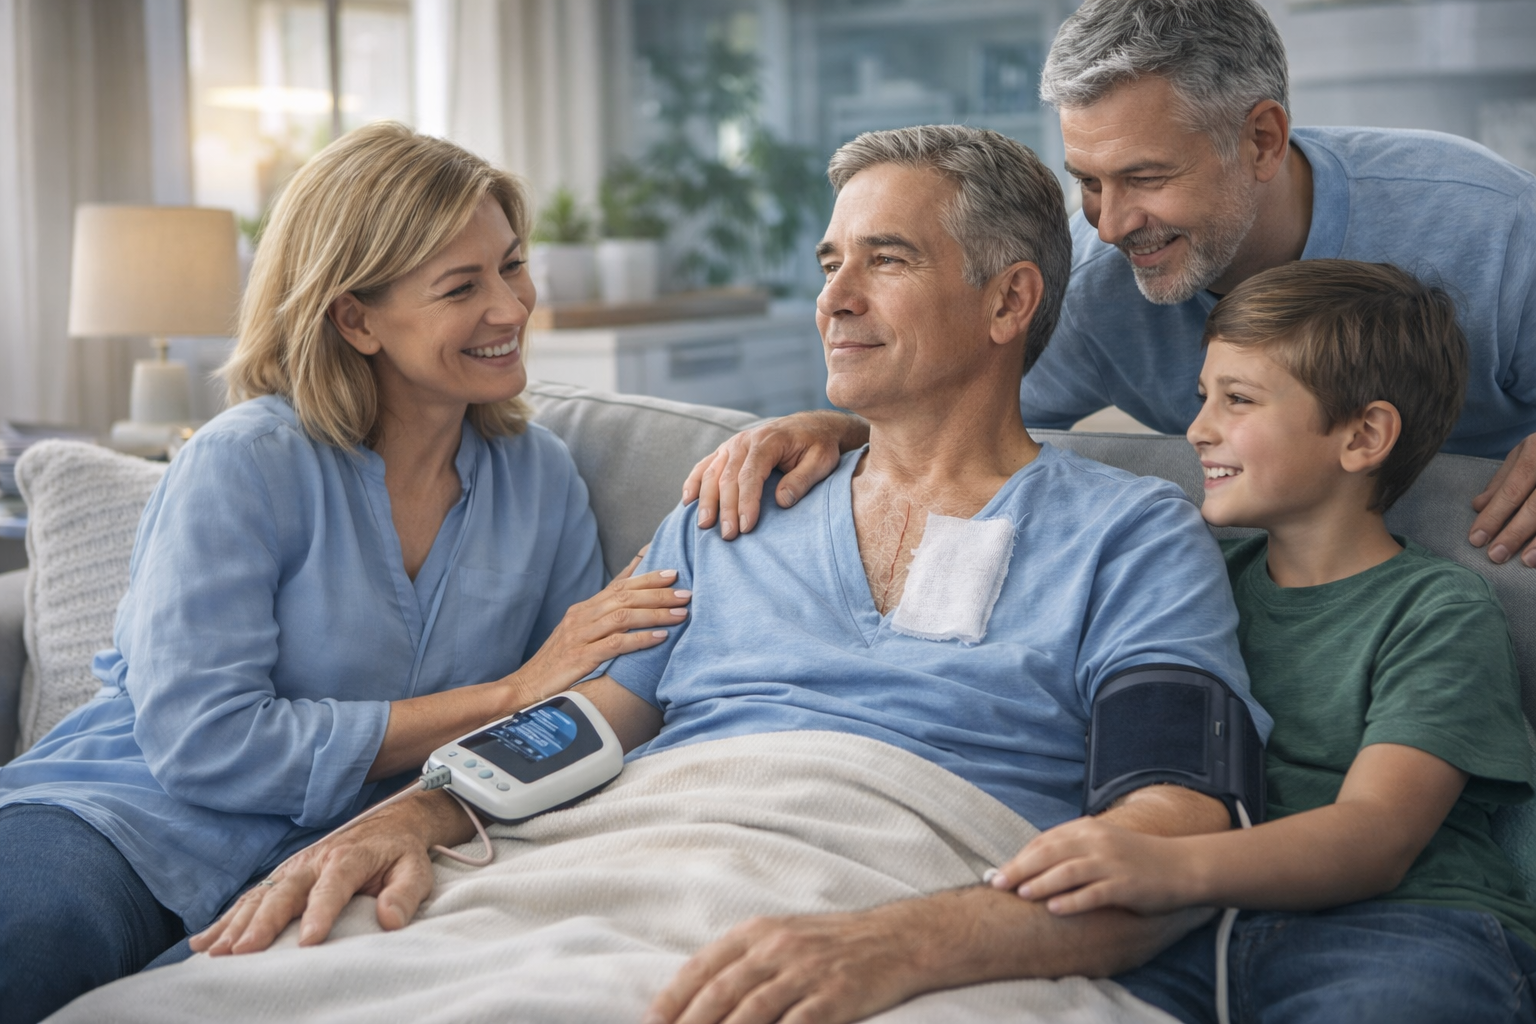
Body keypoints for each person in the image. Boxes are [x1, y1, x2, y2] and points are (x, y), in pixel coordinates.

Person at [170, 125, 1269, 1024]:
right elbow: (587, 719)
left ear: (1008, 302)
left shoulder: (1131, 535)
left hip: (906, 885)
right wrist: (415, 813)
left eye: (886, 260)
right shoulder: (735, 504)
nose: (836, 298)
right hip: (626, 854)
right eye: (831, 263)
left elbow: (1174, 831)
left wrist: (901, 944)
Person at [0, 123, 692, 1024]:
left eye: (512, 266)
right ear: (354, 318)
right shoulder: (244, 462)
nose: (511, 308)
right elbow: (206, 741)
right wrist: (506, 691)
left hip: (365, 846)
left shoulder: (541, 477)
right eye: (462, 286)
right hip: (123, 824)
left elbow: (570, 713)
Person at [684, 0, 1536, 572]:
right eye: (1087, 180)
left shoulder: (1481, 220)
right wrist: (825, 425)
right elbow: (962, 407)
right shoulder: (1102, 290)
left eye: (1145, 177)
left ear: (1263, 140)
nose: (1108, 222)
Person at [990, 260, 1536, 1023]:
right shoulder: (1187, 575)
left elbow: (1375, 837)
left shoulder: (1436, 609)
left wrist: (1161, 864)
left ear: (1365, 435)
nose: (1197, 429)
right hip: (1193, 932)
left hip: (1406, 923)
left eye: (1237, 400)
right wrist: (849, 435)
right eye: (1202, 397)